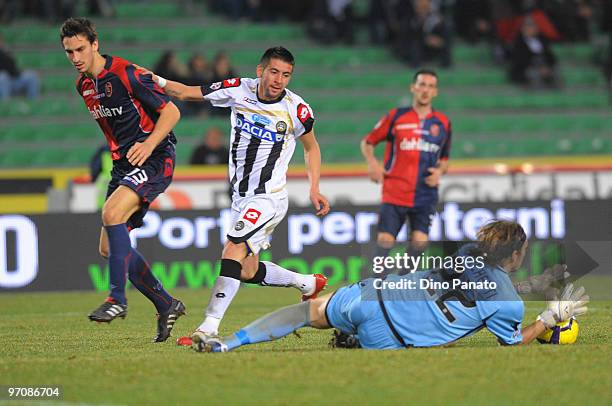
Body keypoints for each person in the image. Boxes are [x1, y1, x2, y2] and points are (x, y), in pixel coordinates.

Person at [149, 46, 331, 343]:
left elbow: (312, 147)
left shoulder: (297, 109)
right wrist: (151, 79)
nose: (279, 80)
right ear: (260, 71)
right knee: (247, 270)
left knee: (233, 248)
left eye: (286, 75)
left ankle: (208, 327)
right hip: (240, 197)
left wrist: (314, 188)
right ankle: (308, 283)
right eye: (274, 72)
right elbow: (184, 92)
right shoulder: (238, 89)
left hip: (268, 197)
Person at [189, 220, 590, 352]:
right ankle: (356, 341)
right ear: (516, 256)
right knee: (444, 336)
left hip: (371, 293)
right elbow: (513, 341)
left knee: (302, 313)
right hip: (393, 333)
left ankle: (229, 343)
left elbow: (482, 280)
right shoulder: (507, 304)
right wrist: (547, 318)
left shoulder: (466, 251)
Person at [60, 17, 186, 342]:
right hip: (123, 166)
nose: (75, 57)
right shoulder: (83, 86)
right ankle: (166, 303)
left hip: (155, 157)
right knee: (108, 247)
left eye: (80, 49)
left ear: (95, 44)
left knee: (112, 214)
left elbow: (172, 112)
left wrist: (148, 143)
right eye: (69, 52)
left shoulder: (125, 72)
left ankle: (117, 299)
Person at [360, 69, 451, 274]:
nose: (425, 90)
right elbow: (367, 142)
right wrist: (373, 164)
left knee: (420, 242)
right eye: (422, 85)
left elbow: (444, 159)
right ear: (413, 88)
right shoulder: (396, 117)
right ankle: (375, 284)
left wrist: (439, 172)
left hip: (425, 193)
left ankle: (401, 283)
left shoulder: (443, 123)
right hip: (395, 190)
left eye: (430, 86)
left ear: (435, 91)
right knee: (385, 239)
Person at [0, 35, 40, 100]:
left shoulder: (6, 52)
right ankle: (5, 106)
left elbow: (13, 68)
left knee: (32, 76)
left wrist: (5, 52)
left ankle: (33, 104)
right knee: (3, 77)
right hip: (2, 82)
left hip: (12, 80)